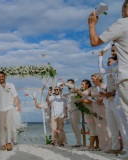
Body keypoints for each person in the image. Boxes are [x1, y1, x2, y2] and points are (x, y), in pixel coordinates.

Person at [88, 1, 128, 154]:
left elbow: (94, 41)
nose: (121, 12)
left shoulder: (123, 23)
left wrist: (92, 24)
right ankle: (117, 147)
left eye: (123, 8)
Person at [76, 73, 111, 150]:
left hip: (103, 106)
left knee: (106, 126)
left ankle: (110, 145)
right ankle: (102, 146)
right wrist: (76, 90)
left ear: (98, 78)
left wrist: (102, 99)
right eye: (91, 78)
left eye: (93, 78)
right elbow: (82, 93)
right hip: (95, 108)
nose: (92, 79)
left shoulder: (104, 86)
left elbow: (110, 95)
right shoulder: (91, 89)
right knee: (98, 127)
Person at [0, 71, 21, 151]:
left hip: (9, 107)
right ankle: (3, 143)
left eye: (2, 76)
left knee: (8, 125)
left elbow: (15, 96)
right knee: (1, 127)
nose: (1, 78)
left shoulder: (11, 85)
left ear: (5, 77)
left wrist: (18, 105)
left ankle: (9, 143)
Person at [75, 79, 99, 151]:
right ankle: (97, 145)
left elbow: (89, 101)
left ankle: (91, 145)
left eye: (83, 84)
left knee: (92, 128)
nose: (81, 86)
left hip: (90, 113)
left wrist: (80, 100)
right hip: (88, 113)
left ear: (87, 84)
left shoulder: (89, 92)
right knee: (93, 128)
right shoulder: (86, 92)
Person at [62, 79, 82, 147]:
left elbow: (74, 87)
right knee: (73, 128)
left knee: (76, 127)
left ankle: (79, 143)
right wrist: (60, 88)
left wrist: (66, 84)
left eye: (70, 83)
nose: (68, 85)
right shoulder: (68, 93)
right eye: (68, 83)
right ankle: (78, 142)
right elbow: (61, 95)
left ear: (73, 84)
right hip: (70, 112)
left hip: (76, 110)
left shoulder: (76, 90)